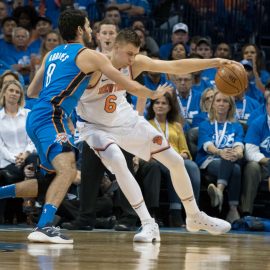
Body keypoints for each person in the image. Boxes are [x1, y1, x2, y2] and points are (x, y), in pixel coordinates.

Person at [0, 9, 169, 244]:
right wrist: (152, 93)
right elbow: (125, 83)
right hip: (52, 116)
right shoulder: (91, 55)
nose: (91, 30)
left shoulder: (52, 53)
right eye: (89, 26)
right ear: (80, 30)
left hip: (35, 117)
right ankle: (43, 227)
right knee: (68, 168)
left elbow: (31, 91)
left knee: (48, 181)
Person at [76, 28, 234, 242]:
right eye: (129, 54)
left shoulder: (134, 63)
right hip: (95, 127)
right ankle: (148, 224)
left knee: (176, 161)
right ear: (115, 47)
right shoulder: (94, 65)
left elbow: (175, 66)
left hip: (126, 121)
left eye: (135, 54)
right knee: (118, 160)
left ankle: (194, 216)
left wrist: (215, 61)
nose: (133, 59)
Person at [147, 92, 201, 227]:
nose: (160, 106)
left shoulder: (176, 126)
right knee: (174, 167)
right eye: (157, 103)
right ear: (152, 106)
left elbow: (185, 150)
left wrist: (183, 154)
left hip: (176, 157)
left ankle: (195, 211)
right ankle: (175, 213)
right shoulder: (146, 124)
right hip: (157, 159)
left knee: (192, 166)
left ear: (170, 107)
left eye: (164, 103)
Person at [196, 91, 244, 223]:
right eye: (218, 101)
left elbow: (239, 145)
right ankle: (232, 210)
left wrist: (238, 153)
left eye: (225, 101)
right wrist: (220, 152)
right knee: (228, 158)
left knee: (235, 168)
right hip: (209, 160)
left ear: (230, 105)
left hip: (229, 160)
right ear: (212, 104)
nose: (221, 104)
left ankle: (219, 192)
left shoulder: (236, 126)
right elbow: (207, 146)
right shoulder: (205, 124)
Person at [241, 93, 270, 216]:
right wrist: (267, 161)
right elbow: (250, 152)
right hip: (263, 165)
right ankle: (246, 212)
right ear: (267, 107)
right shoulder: (258, 123)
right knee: (252, 167)